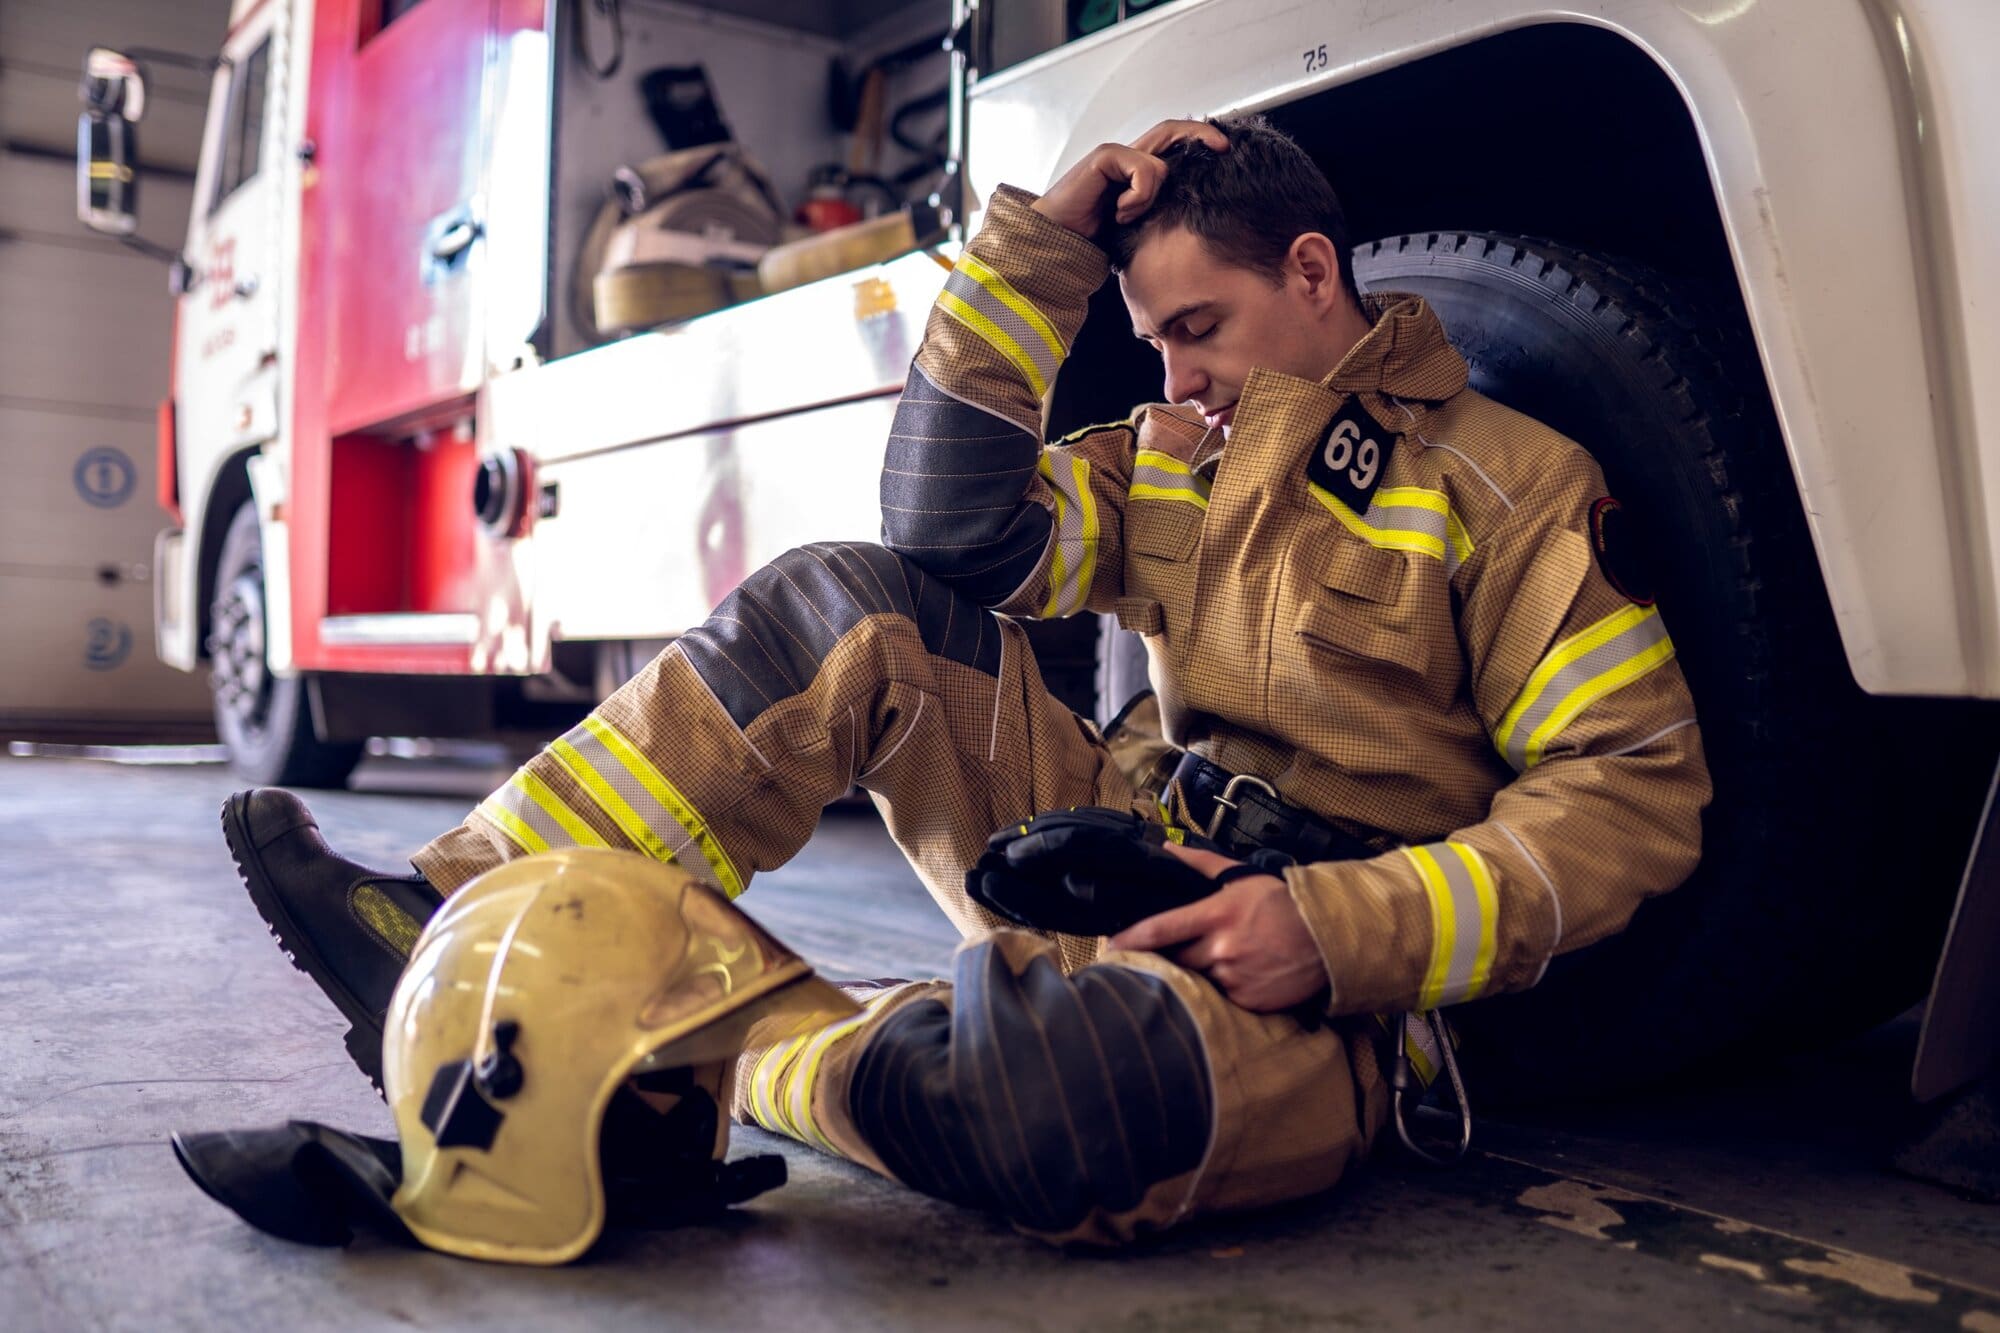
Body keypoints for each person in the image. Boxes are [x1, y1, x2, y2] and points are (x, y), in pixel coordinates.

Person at [223, 114, 1710, 1246]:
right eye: (1155, 344)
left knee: (1064, 1101)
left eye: (1201, 330)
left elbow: (1631, 798)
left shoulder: (1512, 491)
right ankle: (443, 919)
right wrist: (1038, 253)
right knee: (848, 607)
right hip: (1106, 845)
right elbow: (950, 531)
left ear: (1313, 272)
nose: (1176, 378)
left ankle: (691, 1070)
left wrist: (1333, 926)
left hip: (1326, 1002)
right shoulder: (1163, 461)